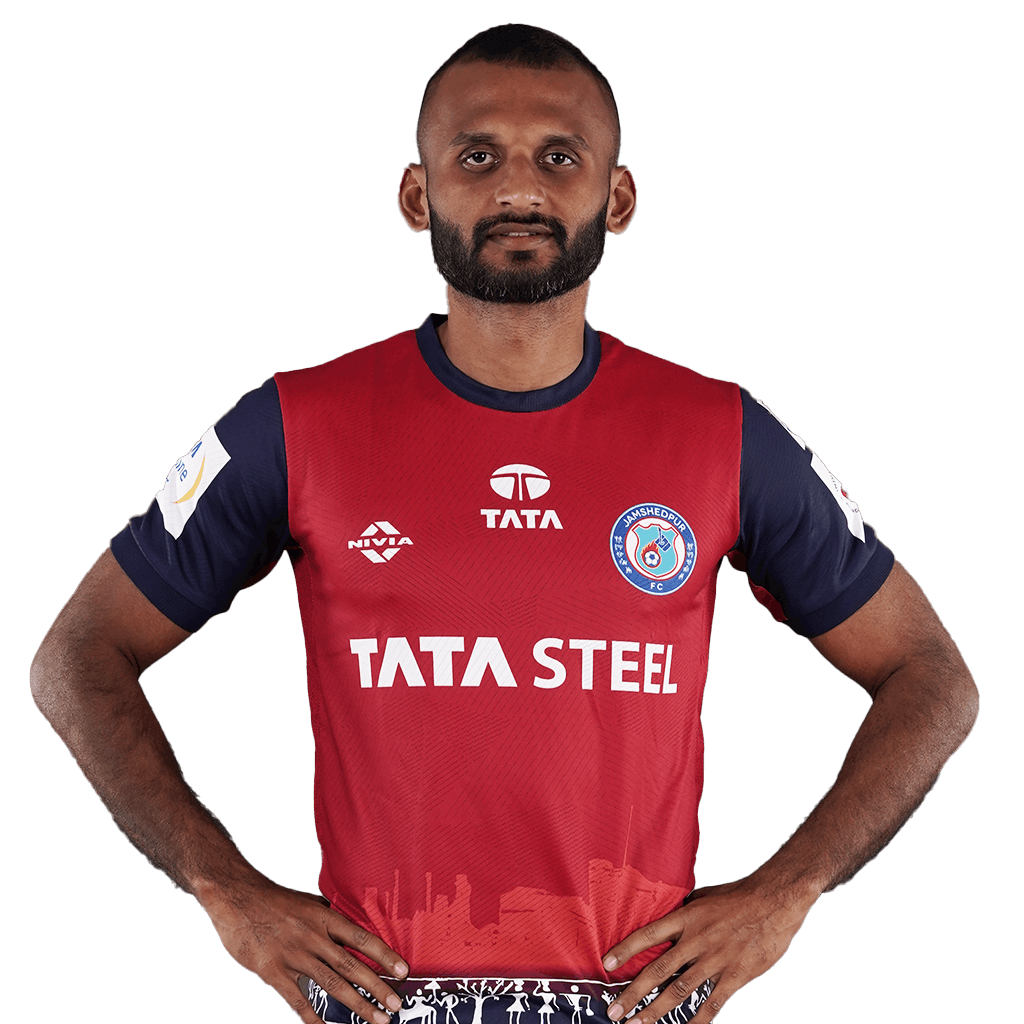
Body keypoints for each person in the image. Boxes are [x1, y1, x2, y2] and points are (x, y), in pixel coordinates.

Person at [30, 23, 978, 1024]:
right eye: (477, 156)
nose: (518, 188)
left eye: (558, 157)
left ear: (617, 199)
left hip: (636, 1006)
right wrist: (223, 885)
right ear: (417, 196)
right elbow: (77, 656)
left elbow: (931, 675)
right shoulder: (295, 422)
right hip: (378, 1006)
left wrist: (787, 892)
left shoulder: (722, 431)